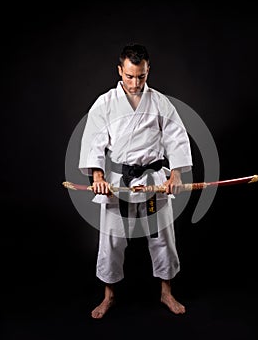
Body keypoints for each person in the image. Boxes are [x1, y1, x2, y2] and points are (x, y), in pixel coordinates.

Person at [79, 43, 193, 319]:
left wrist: (176, 174)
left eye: (141, 76)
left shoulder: (160, 102)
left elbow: (175, 137)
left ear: (148, 70)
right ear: (120, 70)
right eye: (129, 76)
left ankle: (166, 292)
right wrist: (97, 176)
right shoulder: (105, 103)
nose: (135, 82)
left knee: (163, 238)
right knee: (112, 240)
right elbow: (94, 139)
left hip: (154, 180)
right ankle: (109, 295)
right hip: (119, 181)